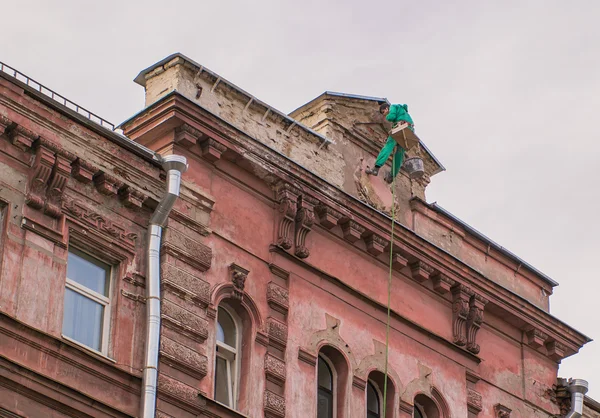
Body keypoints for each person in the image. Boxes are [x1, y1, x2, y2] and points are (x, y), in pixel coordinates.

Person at [365, 102, 414, 183]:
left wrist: (388, 117)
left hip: (400, 128)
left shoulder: (393, 106)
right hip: (409, 130)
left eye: (383, 112)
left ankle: (376, 168)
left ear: (387, 108)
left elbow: (391, 116)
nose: (384, 115)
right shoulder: (403, 111)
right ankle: (392, 176)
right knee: (399, 154)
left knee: (388, 146)